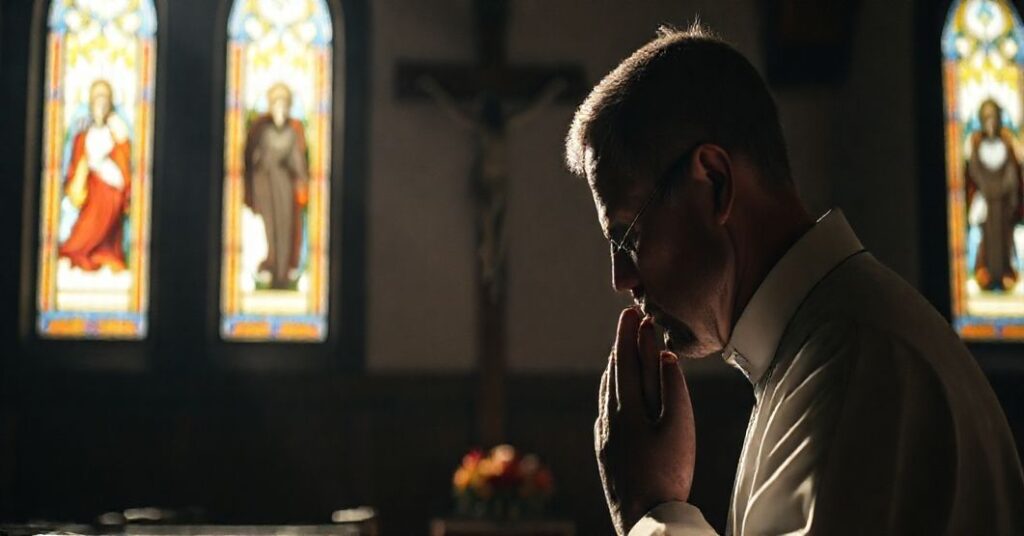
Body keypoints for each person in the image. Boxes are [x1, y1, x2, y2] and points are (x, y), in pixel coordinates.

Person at [565, 24, 1024, 535]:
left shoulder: (857, 360)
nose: (620, 278)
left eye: (627, 238)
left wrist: (652, 510)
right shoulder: (818, 349)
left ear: (714, 183)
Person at [59, 79, 132, 271]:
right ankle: (80, 250)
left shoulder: (115, 133)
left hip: (111, 189)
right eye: (97, 103)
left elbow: (124, 165)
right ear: (91, 105)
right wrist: (85, 169)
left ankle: (106, 252)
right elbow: (74, 165)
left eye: (104, 103)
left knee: (109, 210)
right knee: (86, 227)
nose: (100, 107)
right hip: (90, 189)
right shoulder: (82, 136)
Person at [243, 82, 309, 289]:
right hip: (264, 185)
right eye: (276, 106)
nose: (280, 111)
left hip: (284, 186)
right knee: (269, 228)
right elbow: (254, 158)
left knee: (285, 228)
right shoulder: (263, 133)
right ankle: (271, 266)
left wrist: (302, 179)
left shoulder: (290, 134)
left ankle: (283, 272)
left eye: (284, 106)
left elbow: (296, 161)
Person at [966, 98, 1022, 291]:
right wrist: (987, 188)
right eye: (986, 118)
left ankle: (1006, 274)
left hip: (1003, 202)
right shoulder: (976, 143)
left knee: (1004, 239)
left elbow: (1011, 172)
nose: (990, 122)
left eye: (993, 118)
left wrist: (1004, 189)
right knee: (987, 238)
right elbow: (974, 170)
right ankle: (986, 274)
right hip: (987, 200)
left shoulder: (1006, 144)